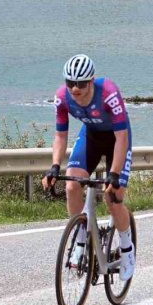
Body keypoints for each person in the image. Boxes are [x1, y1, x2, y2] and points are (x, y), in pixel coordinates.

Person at [42, 54, 135, 281]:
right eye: (70, 83)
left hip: (117, 139)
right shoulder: (62, 97)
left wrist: (113, 173)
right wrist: (55, 166)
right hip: (91, 136)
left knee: (113, 198)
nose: (75, 88)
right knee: (72, 186)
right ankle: (81, 237)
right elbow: (60, 135)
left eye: (81, 83)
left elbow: (121, 137)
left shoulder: (108, 93)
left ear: (91, 81)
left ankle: (126, 248)